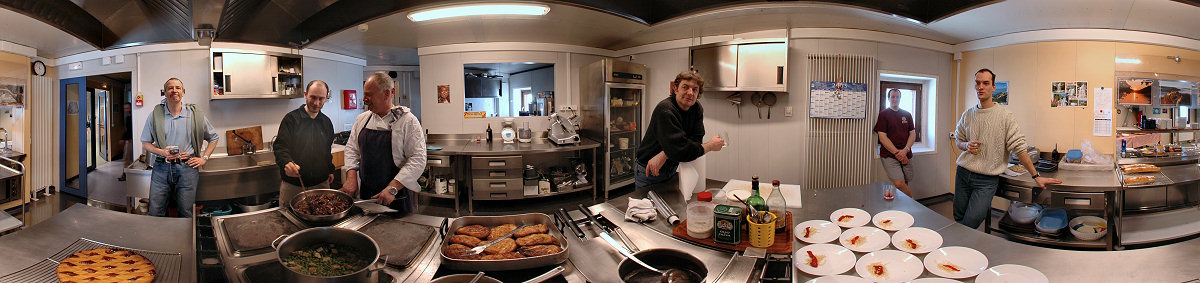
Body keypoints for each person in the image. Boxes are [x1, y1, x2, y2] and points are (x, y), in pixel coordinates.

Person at [953, 69, 1061, 229]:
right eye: (977, 83)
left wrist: (1036, 176)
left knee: (971, 221)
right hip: (963, 173)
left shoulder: (1005, 116)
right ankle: (959, 249)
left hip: (986, 180)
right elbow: (958, 139)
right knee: (958, 217)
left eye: (986, 83)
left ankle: (958, 246)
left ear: (994, 87)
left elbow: (1019, 148)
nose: (981, 87)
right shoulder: (968, 115)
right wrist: (965, 145)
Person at [342, 72, 426, 213]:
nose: (364, 99)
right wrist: (351, 177)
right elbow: (352, 149)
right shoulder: (362, 119)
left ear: (388, 93)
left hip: (396, 197)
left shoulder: (407, 121)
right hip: (367, 196)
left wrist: (392, 188)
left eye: (369, 94)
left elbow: (418, 159)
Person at [141, 78, 219, 218]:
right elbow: (146, 143)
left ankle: (185, 240)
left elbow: (213, 138)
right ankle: (157, 239)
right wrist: (162, 152)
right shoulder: (154, 116)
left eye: (178, 87)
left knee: (186, 212)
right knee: (155, 211)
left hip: (187, 168)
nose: (174, 90)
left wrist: (204, 158)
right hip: (161, 168)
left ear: (183, 92)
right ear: (164, 93)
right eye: (170, 88)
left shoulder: (195, 115)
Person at [635, 70, 724, 188]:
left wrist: (665, 154)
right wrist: (710, 146)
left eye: (695, 89)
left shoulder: (696, 108)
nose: (690, 93)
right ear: (676, 89)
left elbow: (696, 141)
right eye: (685, 87)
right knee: (646, 206)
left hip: (672, 169)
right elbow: (681, 150)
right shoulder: (666, 110)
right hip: (650, 170)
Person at [274, 80, 336, 204]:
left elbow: (326, 150)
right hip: (293, 185)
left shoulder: (327, 122)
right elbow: (280, 147)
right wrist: (286, 162)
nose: (316, 103)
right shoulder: (291, 119)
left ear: (326, 98)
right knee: (287, 221)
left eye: (321, 99)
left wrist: (330, 170)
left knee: (322, 218)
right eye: (312, 97)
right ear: (305, 94)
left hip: (321, 185)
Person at [874, 88, 914, 198]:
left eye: (897, 97)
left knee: (907, 180)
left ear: (900, 98)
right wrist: (898, 154)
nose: (895, 99)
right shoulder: (883, 115)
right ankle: (913, 205)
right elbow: (882, 137)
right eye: (892, 97)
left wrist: (905, 150)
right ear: (888, 98)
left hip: (906, 153)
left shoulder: (907, 114)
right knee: (899, 183)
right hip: (890, 155)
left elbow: (912, 134)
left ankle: (903, 207)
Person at [118, 102, 133, 182]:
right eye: (125, 108)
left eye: (127, 108)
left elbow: (130, 130)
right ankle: (126, 174)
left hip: (130, 141)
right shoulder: (128, 117)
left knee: (126, 159)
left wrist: (128, 138)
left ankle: (125, 175)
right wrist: (123, 139)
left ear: (130, 108)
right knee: (127, 159)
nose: (126, 110)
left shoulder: (133, 117)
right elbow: (127, 130)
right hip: (128, 140)